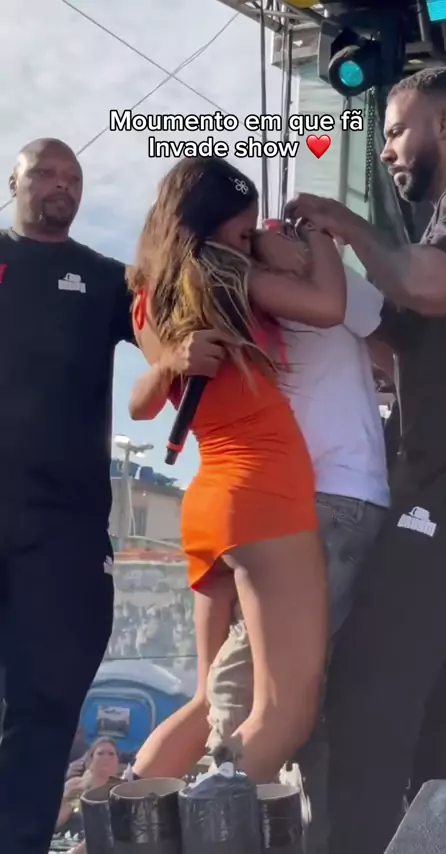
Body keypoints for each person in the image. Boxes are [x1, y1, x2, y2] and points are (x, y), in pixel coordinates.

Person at [127, 182, 388, 854]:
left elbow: (139, 404)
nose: (251, 241)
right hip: (266, 495)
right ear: (212, 224)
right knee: (286, 712)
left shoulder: (149, 294)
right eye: (244, 231)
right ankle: (210, 834)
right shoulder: (223, 269)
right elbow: (329, 306)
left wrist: (172, 362)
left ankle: (118, 837)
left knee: (206, 700)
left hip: (211, 497)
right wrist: (320, 234)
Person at [285, 66, 446, 854]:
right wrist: (322, 287)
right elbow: (415, 332)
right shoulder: (445, 224)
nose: (389, 150)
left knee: (369, 682)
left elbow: (439, 290)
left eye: (396, 130)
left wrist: (345, 224)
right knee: (442, 694)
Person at [0, 137, 134, 854]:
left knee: (46, 702)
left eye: (73, 176)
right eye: (46, 172)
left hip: (64, 529)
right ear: (14, 182)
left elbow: (172, 326)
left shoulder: (107, 279)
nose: (61, 184)